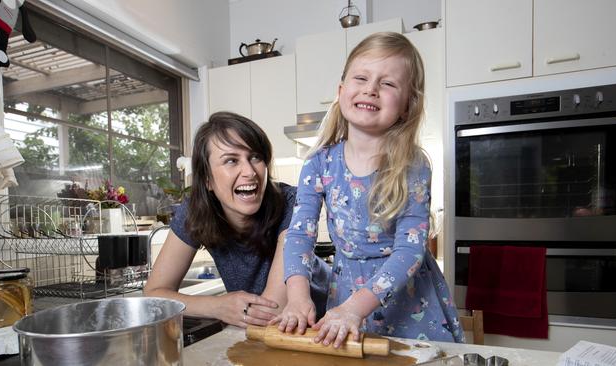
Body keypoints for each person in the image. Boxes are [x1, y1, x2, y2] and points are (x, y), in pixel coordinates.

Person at [272, 32, 464, 346]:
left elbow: (410, 250)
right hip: (345, 293)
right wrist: (297, 296)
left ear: (406, 105)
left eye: (388, 84)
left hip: (410, 300)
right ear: (341, 90)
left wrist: (355, 308)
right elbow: (299, 236)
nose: (371, 89)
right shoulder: (318, 164)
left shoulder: (413, 165)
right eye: (361, 77)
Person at [144, 112, 329, 327]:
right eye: (231, 160)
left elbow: (271, 309)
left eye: (255, 157)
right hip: (271, 334)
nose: (250, 172)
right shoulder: (194, 211)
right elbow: (153, 296)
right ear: (207, 180)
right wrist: (217, 306)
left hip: (324, 324)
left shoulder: (293, 202)